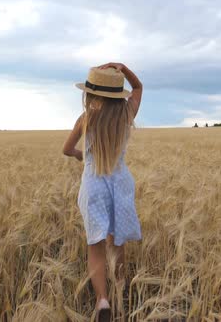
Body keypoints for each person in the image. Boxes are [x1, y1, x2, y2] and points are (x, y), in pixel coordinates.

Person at [62, 62, 143, 321]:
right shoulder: (126, 114)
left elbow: (66, 149)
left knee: (95, 245)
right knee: (117, 243)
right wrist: (124, 69)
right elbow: (139, 87)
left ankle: (103, 301)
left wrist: (80, 156)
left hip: (94, 184)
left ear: (90, 94)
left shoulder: (85, 119)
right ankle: (119, 289)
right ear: (117, 93)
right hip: (120, 183)